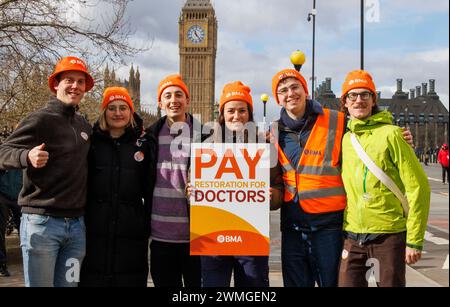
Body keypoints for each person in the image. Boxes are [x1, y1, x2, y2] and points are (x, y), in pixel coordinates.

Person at [269, 68, 414, 287]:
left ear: (305, 90)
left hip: (329, 228)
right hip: (293, 228)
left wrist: (397, 136)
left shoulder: (338, 121)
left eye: (294, 87)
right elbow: (273, 177)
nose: (290, 93)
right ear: (278, 98)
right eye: (283, 90)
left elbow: (368, 130)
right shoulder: (273, 133)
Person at [0, 56, 94, 287]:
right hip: (42, 224)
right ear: (56, 84)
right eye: (69, 80)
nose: (75, 86)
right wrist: (26, 156)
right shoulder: (40, 119)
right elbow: (3, 151)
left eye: (80, 82)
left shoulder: (83, 125)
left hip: (76, 229)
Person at [338, 70, 430, 287]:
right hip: (352, 235)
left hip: (389, 235)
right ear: (345, 102)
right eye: (352, 95)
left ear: (373, 100)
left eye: (365, 95)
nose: (359, 100)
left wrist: (414, 240)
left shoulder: (392, 134)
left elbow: (418, 187)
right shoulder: (344, 139)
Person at [191, 81, 283, 287]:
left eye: (242, 110)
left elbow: (278, 187)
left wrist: (272, 196)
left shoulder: (263, 145)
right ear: (222, 113)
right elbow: (193, 185)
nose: (236, 116)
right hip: (213, 237)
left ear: (249, 114)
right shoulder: (206, 145)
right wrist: (192, 190)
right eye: (231, 110)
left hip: (251, 237)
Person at [79, 87, 155, 287]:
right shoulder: (90, 141)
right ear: (104, 112)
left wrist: (144, 224)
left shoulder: (145, 143)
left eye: (123, 107)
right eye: (111, 108)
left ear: (131, 111)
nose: (118, 113)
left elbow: (151, 188)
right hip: (94, 230)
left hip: (131, 232)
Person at [146, 74, 209, 287]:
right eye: (168, 95)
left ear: (187, 100)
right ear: (160, 103)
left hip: (197, 236)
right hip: (160, 235)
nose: (174, 100)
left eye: (179, 94)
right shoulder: (148, 137)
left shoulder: (207, 135)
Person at [0, 168, 22, 277]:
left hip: (21, 194)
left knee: (25, 229)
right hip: (2, 194)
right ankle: (1, 264)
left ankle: (30, 259)